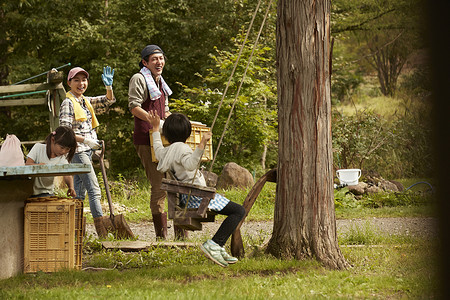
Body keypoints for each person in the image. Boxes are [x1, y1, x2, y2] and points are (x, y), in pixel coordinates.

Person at [149, 111, 246, 267]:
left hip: (189, 197)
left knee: (236, 211)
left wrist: (155, 129)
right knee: (239, 211)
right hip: (199, 197)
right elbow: (191, 164)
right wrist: (202, 143)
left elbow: (158, 149)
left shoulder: (167, 151)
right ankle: (215, 244)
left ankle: (219, 246)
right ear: (187, 133)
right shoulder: (182, 149)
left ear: (166, 134)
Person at [128, 44, 185, 240]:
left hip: (163, 138)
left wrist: (176, 124)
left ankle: (181, 236)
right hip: (146, 138)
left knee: (177, 183)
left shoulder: (160, 82)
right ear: (145, 62)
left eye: (161, 58)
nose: (159, 62)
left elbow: (165, 111)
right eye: (154, 59)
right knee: (160, 185)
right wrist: (155, 122)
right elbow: (134, 107)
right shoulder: (139, 78)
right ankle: (162, 237)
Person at [59, 66, 115, 238]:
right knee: (94, 189)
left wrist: (109, 87)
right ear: (69, 83)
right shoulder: (68, 103)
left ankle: (77, 233)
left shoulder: (85, 101)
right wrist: (86, 140)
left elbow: (108, 101)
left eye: (84, 80)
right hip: (78, 151)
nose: (81, 83)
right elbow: (64, 132)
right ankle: (103, 233)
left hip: (87, 150)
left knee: (78, 192)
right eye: (76, 80)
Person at [25, 126, 77, 198]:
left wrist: (71, 187)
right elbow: (27, 165)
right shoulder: (38, 148)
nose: (63, 151)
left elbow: (67, 174)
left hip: (47, 193)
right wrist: (38, 166)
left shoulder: (62, 158)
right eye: (62, 147)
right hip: (29, 193)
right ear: (53, 140)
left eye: (67, 149)